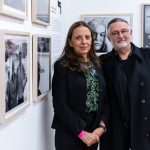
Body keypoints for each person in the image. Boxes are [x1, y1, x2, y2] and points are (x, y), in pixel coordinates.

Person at [51, 21, 109, 150]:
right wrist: (81, 133)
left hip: (94, 132)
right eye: (78, 38)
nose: (84, 42)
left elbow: (104, 98)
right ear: (70, 42)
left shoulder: (98, 64)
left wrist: (101, 127)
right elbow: (60, 105)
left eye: (87, 37)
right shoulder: (62, 66)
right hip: (70, 133)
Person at [100, 18, 150, 150]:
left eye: (124, 31)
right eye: (115, 33)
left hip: (144, 128)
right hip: (115, 129)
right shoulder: (102, 63)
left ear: (131, 32)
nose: (120, 35)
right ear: (109, 38)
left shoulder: (148, 56)